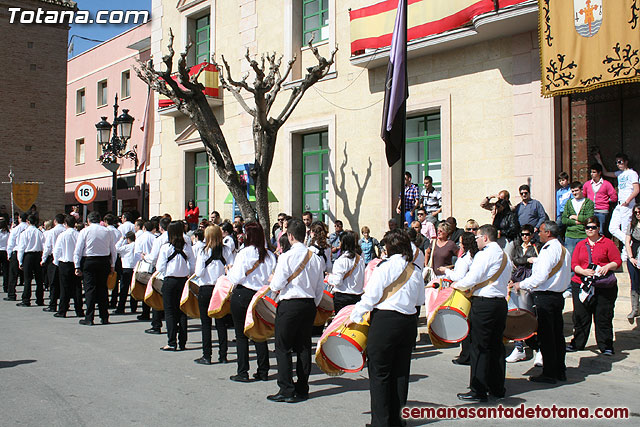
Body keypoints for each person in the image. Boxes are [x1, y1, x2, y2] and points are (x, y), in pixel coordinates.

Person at [346, 228, 424, 424]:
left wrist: (355, 315)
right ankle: (398, 420)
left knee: (380, 373)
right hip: (407, 323)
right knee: (400, 373)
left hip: (385, 322)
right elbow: (419, 300)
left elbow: (370, 297)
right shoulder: (415, 270)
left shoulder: (384, 267)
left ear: (390, 247)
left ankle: (381, 422)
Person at [267, 218, 324, 403]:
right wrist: (312, 304)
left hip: (290, 303)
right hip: (308, 304)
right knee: (304, 347)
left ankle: (286, 388)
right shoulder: (315, 258)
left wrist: (272, 281)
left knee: (283, 347)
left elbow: (277, 284)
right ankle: (302, 388)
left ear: (290, 236)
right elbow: (319, 289)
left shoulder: (286, 257)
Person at [452, 225, 512, 402]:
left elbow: (473, 278)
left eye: (477, 237)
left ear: (485, 238)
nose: (476, 240)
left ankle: (478, 389)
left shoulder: (484, 254)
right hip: (500, 303)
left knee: (480, 347)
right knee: (496, 346)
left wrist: (457, 285)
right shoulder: (505, 256)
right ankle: (497, 387)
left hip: (484, 304)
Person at [512, 221, 572, 384]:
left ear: (549, 233)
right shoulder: (563, 250)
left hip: (546, 297)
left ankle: (550, 372)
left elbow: (540, 277)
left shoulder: (548, 250)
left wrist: (520, 284)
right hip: (557, 296)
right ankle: (560, 369)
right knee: (557, 336)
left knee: (546, 337)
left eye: (541, 231)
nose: (538, 234)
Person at [228, 221, 276, 382]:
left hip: (243, 294)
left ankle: (243, 371)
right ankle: (263, 370)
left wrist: (228, 271)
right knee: (259, 333)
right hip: (260, 296)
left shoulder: (245, 253)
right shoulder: (269, 255)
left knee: (242, 335)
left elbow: (236, 277)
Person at [566, 216, 621, 355]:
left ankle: (606, 345)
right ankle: (578, 343)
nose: (590, 230)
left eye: (593, 227)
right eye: (587, 227)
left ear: (598, 228)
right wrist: (583, 271)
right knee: (580, 316)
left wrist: (607, 266)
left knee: (603, 317)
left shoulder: (607, 243)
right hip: (582, 284)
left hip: (602, 286)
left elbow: (617, 261)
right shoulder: (580, 244)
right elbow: (574, 264)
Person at [194, 225, 234, 364]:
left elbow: (199, 272)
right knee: (221, 322)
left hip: (206, 288)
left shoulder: (203, 251)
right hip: (220, 289)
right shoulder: (227, 250)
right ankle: (223, 355)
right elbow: (231, 268)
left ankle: (207, 355)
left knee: (206, 323)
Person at [156, 221, 196, 351]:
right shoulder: (187, 247)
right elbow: (193, 265)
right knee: (182, 311)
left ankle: (172, 342)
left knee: (170, 312)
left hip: (169, 281)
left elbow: (160, 267)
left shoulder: (166, 247)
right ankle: (183, 341)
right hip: (183, 281)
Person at [73, 211, 117, 325]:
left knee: (90, 289)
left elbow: (78, 250)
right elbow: (113, 249)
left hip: (89, 261)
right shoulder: (107, 231)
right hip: (104, 261)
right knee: (103, 289)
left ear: (88, 220)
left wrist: (77, 265)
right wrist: (112, 264)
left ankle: (89, 317)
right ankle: (104, 316)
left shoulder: (85, 231)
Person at [595, 152, 640, 261]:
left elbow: (637, 189)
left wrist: (628, 200)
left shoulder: (632, 173)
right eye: (616, 162)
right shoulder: (619, 174)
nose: (618, 164)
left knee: (625, 228)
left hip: (628, 205)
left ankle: (626, 254)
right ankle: (628, 242)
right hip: (620, 205)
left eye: (620, 162)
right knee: (613, 228)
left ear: (626, 162)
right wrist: (598, 159)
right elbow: (605, 173)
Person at [445, 232, 480, 366]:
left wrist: (446, 271)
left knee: (466, 324)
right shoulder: (477, 256)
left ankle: (466, 355)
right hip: (475, 293)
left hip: (465, 293)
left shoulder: (464, 258)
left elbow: (458, 276)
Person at [53, 215, 83, 318]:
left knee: (64, 288)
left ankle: (62, 310)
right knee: (77, 288)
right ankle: (79, 310)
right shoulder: (78, 235)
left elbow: (57, 250)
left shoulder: (62, 235)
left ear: (65, 224)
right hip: (76, 263)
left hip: (64, 262)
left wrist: (56, 262)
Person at [328, 230, 365, 314]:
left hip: (342, 297)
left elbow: (337, 282)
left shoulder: (341, 261)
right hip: (357, 297)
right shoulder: (360, 259)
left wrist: (329, 278)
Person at [16, 214, 45, 307]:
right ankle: (40, 299)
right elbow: (44, 246)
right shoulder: (40, 233)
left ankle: (26, 299)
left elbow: (21, 248)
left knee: (27, 279)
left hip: (28, 255)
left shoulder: (24, 233)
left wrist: (20, 261)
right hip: (37, 255)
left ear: (28, 222)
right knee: (39, 279)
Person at [583, 163, 617, 235]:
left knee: (600, 231)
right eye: (591, 172)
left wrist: (606, 201)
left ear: (599, 173)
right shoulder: (587, 184)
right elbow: (583, 196)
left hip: (602, 211)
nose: (592, 174)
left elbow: (614, 197)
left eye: (594, 172)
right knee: (590, 230)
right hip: (590, 211)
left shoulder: (606, 184)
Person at [41, 214, 66, 313]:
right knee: (63, 283)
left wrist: (43, 259)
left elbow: (47, 247)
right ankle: (64, 304)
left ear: (55, 221)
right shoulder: (66, 230)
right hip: (65, 257)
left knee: (53, 283)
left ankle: (53, 304)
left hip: (53, 258)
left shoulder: (52, 232)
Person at [562, 181, 594, 255]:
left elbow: (589, 218)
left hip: (584, 235)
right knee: (570, 259)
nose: (574, 193)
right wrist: (575, 222)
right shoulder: (569, 203)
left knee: (584, 257)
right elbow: (564, 219)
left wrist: (575, 217)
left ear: (582, 190)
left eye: (576, 190)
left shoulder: (588, 203)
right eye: (572, 191)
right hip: (570, 235)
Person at [4, 213, 28, 302]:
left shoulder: (16, 229)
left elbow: (11, 243)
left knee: (13, 275)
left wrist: (9, 254)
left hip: (17, 250)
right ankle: (26, 296)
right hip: (27, 252)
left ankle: (11, 294)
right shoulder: (29, 228)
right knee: (27, 276)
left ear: (19, 219)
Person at [114, 231, 138, 314]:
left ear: (128, 239)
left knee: (124, 290)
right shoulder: (137, 245)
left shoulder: (127, 247)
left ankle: (121, 307)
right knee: (133, 288)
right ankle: (133, 307)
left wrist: (121, 240)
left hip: (126, 268)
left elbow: (116, 248)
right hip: (134, 268)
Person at [625, 205, 640, 323]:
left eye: (639, 212)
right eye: (635, 212)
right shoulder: (631, 225)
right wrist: (631, 257)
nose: (638, 214)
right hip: (634, 255)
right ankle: (634, 308)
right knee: (634, 283)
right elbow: (627, 241)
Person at [0, 219, 9, 293]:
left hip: (1, 250)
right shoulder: (8, 233)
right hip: (5, 251)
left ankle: (5, 286)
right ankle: (5, 287)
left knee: (5, 270)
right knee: (6, 270)